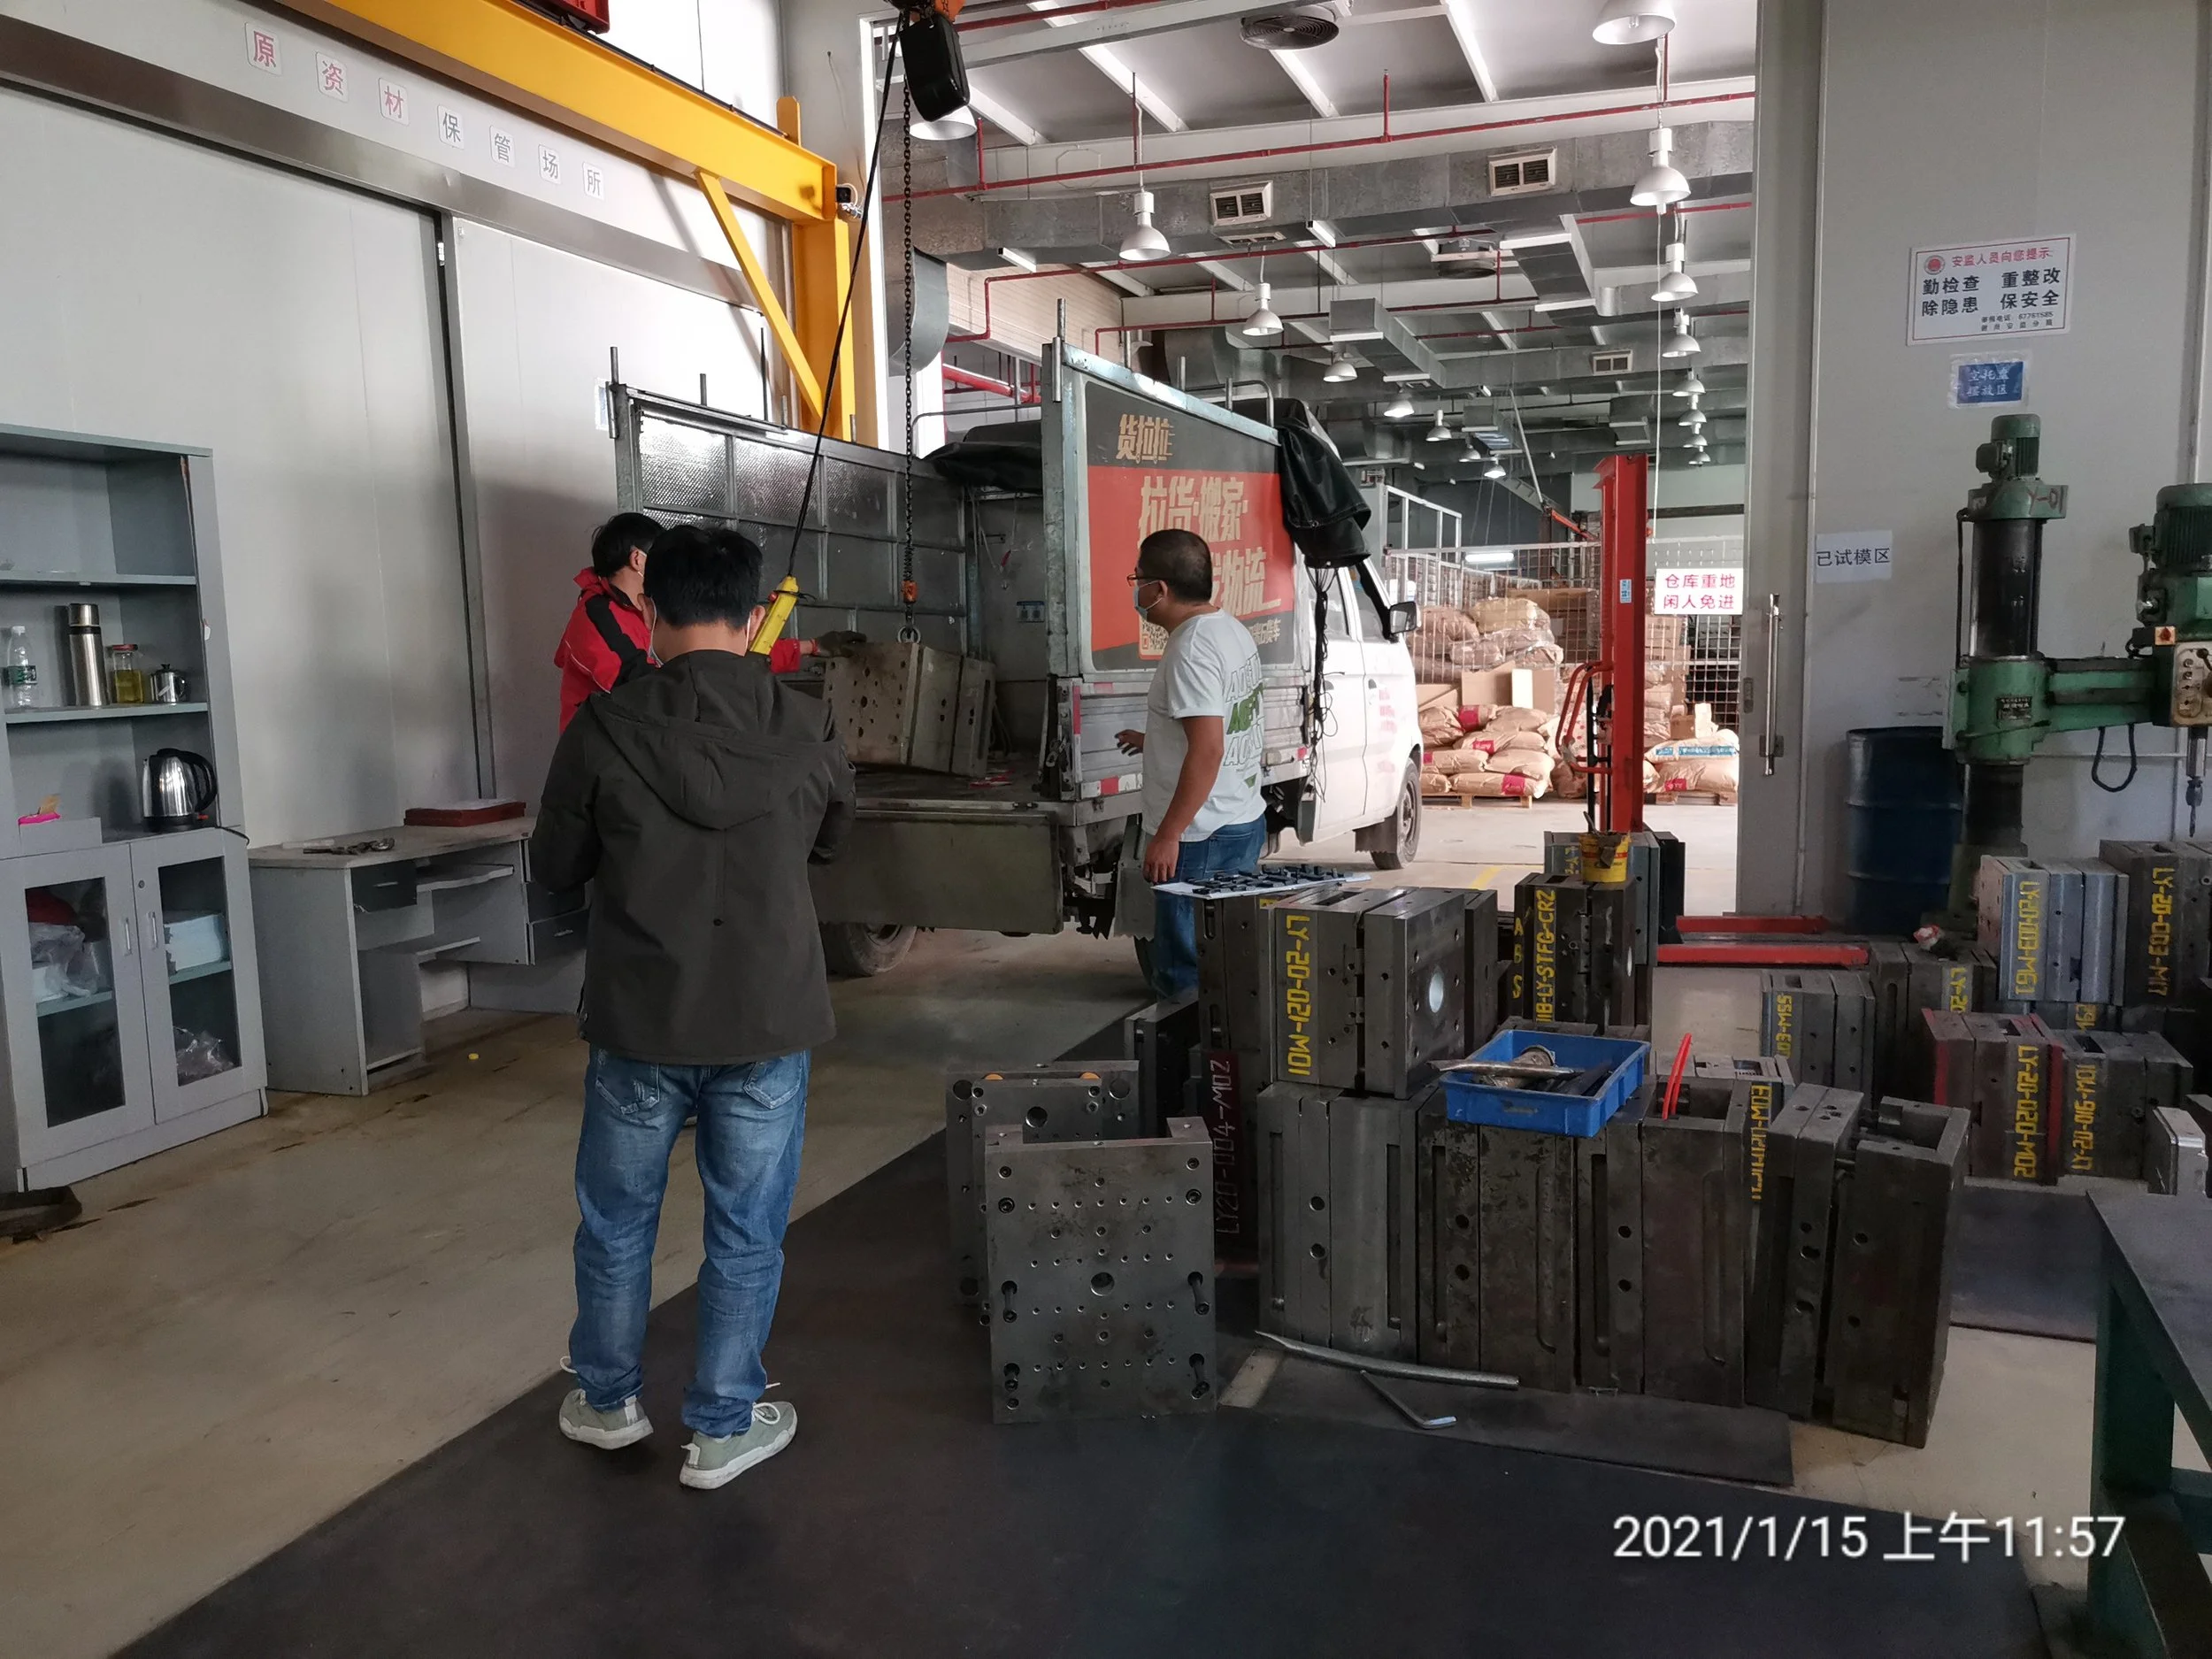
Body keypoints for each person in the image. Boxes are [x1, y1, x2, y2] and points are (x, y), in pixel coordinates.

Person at [532, 521, 856, 1491]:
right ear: (754, 618)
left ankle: (605, 1401)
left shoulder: (602, 729)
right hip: (765, 1019)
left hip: (639, 1018)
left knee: (618, 1222)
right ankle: (720, 1426)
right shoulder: (808, 723)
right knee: (746, 1227)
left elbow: (554, 867)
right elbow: (833, 842)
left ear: (646, 610)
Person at [1114, 527, 1267, 1001]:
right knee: (1232, 964)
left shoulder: (1190, 648)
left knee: (1187, 976)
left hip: (1201, 837)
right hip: (1240, 819)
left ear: (1159, 589)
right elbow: (1217, 726)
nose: (1135, 590)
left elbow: (1208, 750)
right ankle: (1231, 1062)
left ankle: (1198, 1069)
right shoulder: (1229, 629)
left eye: (1136, 578)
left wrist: (1168, 834)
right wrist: (1155, 740)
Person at [555, 511, 829, 731]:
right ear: (638, 559)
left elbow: (726, 651)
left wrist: (811, 647)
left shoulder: (651, 613)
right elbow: (637, 683)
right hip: (607, 755)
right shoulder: (595, 616)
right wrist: (727, 694)